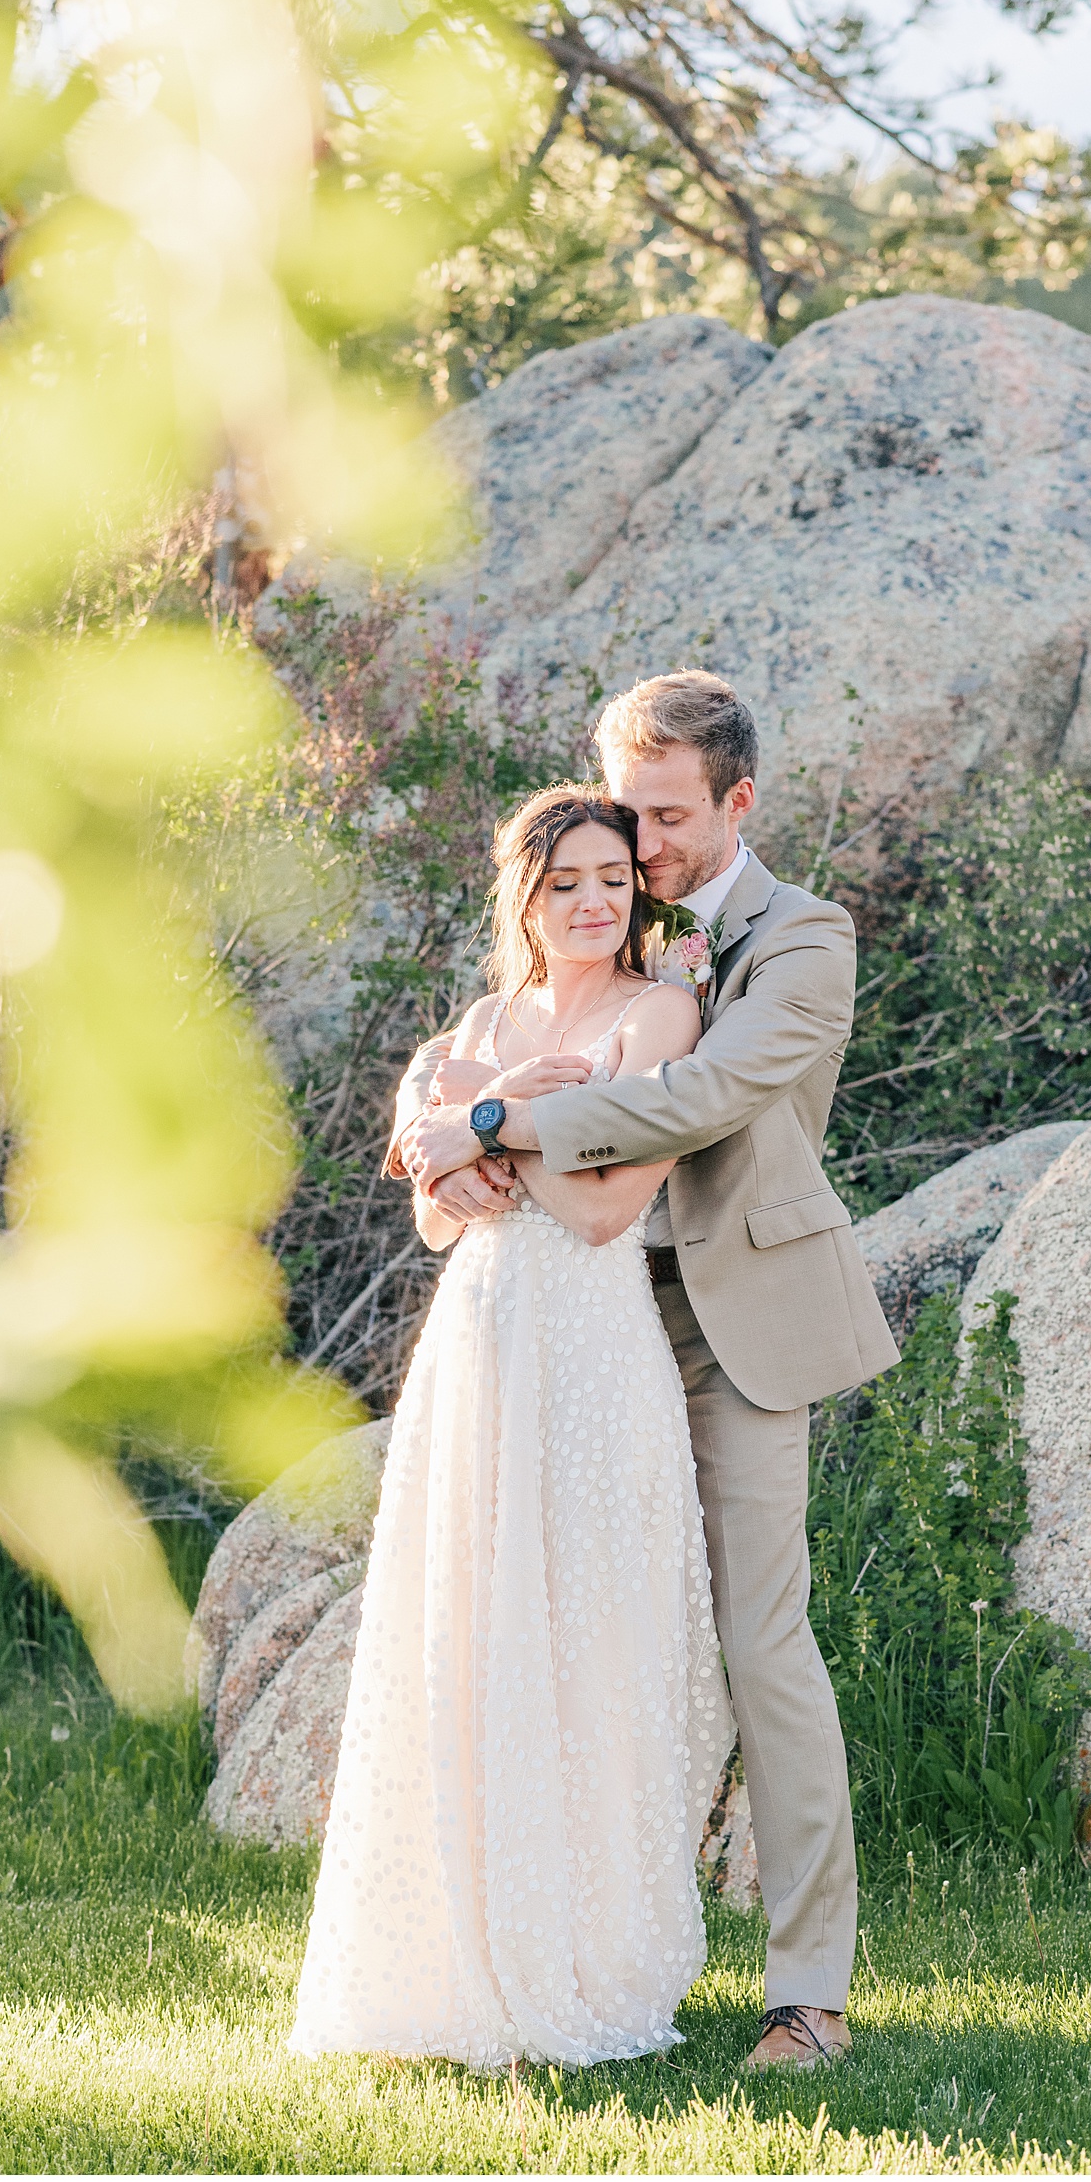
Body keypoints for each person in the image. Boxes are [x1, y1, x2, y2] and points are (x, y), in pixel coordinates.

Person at [396, 672, 901, 2071]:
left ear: (741, 800)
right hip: (578, 1322)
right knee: (559, 1632)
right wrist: (445, 1101)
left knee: (760, 1645)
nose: (644, 840)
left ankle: (809, 1992)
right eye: (627, 812)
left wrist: (489, 1114)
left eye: (668, 816)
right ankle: (560, 1950)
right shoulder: (603, 910)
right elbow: (479, 1040)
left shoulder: (806, 938)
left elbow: (697, 1097)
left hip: (736, 1328)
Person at [288, 783, 735, 2071]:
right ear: (524, 900)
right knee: (472, 1634)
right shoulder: (483, 1020)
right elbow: (435, 1215)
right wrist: (472, 1124)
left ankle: (591, 1948)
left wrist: (483, 1119)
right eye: (565, 884)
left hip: (594, 1352)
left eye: (612, 878)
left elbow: (605, 1214)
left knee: (593, 1637)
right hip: (480, 1345)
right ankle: (460, 1948)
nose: (595, 902)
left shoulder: (663, 1012)